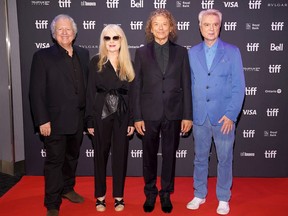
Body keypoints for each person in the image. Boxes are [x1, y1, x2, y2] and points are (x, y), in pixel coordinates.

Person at [132, 9, 193, 213]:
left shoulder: (182, 52)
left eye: (164, 24)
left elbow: (186, 84)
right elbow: (136, 86)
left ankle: (166, 193)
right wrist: (137, 116)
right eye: (156, 24)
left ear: (171, 27)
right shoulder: (141, 53)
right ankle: (150, 193)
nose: (160, 28)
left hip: (174, 113)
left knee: (169, 156)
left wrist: (187, 115)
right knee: (148, 156)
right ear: (150, 27)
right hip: (149, 114)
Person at [186, 9, 245, 215]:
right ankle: (199, 194)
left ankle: (223, 197)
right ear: (200, 27)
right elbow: (188, 86)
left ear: (220, 26)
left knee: (225, 158)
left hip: (224, 118)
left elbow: (239, 86)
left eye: (215, 24)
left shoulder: (232, 51)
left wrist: (231, 114)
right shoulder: (191, 53)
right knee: (200, 158)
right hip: (200, 116)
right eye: (206, 25)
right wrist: (190, 114)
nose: (211, 28)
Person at [29, 14, 90, 216]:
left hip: (77, 119)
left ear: (74, 33)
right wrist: (42, 120)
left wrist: (88, 118)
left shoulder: (83, 54)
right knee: (55, 162)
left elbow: (87, 89)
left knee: (72, 157)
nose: (65, 33)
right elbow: (36, 92)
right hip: (53, 122)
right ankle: (52, 203)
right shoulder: (42, 56)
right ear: (54, 34)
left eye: (68, 29)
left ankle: (67, 189)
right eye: (60, 30)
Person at [85, 24, 135, 212]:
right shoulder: (96, 61)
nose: (112, 42)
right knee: (100, 156)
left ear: (121, 40)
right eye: (107, 38)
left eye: (116, 38)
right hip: (100, 114)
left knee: (120, 156)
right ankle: (100, 196)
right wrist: (89, 119)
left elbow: (133, 94)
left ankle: (119, 196)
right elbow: (90, 92)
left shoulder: (128, 63)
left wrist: (132, 119)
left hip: (122, 114)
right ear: (103, 41)